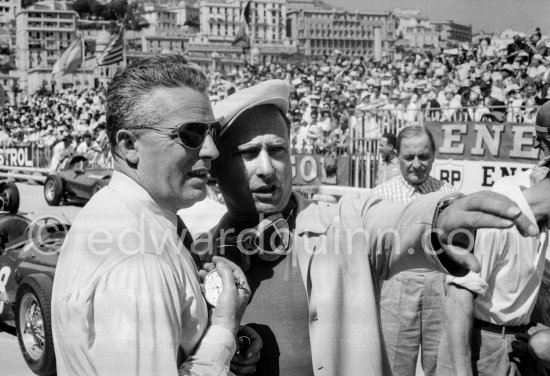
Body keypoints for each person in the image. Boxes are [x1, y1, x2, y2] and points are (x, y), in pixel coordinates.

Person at [193, 79, 538, 376]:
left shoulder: (344, 222)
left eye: (278, 150)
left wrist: (441, 215)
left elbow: (396, 222)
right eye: (249, 153)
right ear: (215, 167)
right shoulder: (199, 256)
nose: (267, 167)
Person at [51, 55, 259, 376]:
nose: (211, 150)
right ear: (129, 145)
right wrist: (224, 328)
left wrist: (225, 340)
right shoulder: (140, 259)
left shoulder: (127, 214)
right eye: (190, 134)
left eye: (212, 132)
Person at [436, 103, 550, 376]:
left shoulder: (539, 211)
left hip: (516, 343)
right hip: (479, 344)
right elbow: (458, 298)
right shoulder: (503, 206)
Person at [372, 125, 456, 376]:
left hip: (439, 286)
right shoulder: (380, 196)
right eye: (409, 157)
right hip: (395, 286)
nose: (417, 164)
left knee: (440, 365)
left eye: (424, 156)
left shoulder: (448, 194)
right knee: (395, 366)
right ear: (397, 156)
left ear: (434, 155)